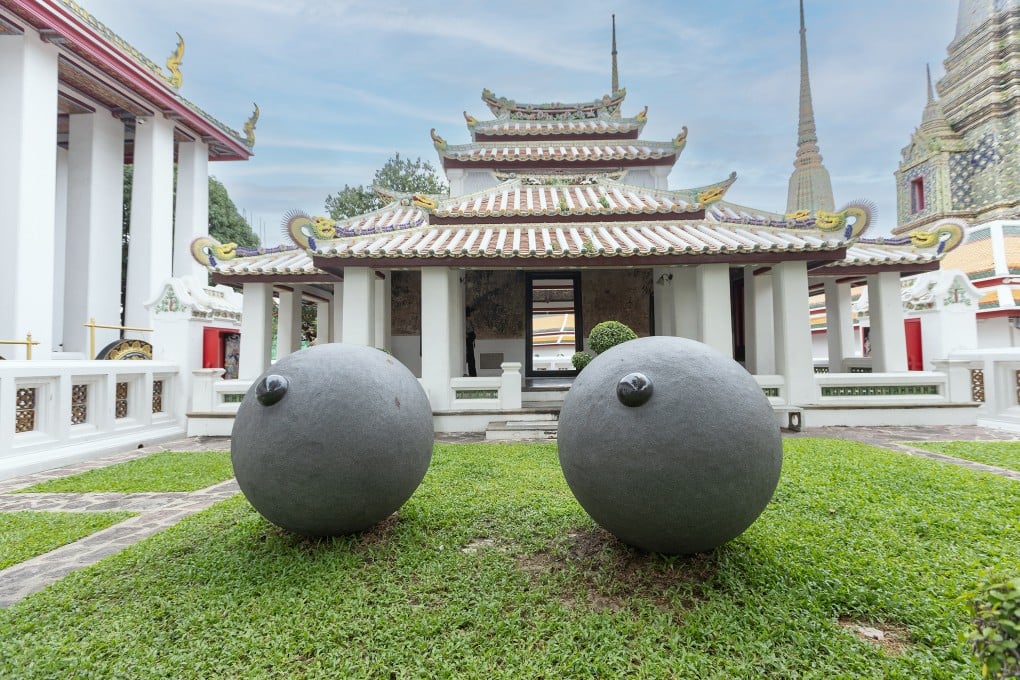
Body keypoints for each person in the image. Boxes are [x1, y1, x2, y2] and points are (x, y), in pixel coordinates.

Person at [465, 307, 477, 377]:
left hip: (469, 340)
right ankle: (472, 374)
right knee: (470, 358)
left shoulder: (467, 321)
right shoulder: (466, 321)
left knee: (471, 358)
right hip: (468, 340)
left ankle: (473, 374)